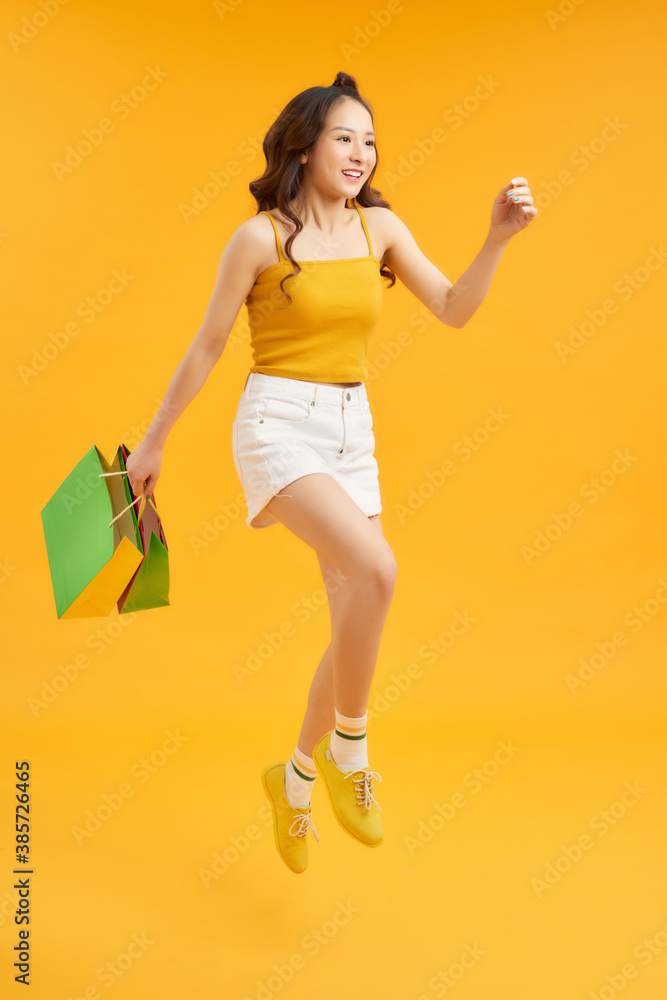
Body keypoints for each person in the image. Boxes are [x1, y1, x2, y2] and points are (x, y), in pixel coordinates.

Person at [125, 70, 537, 875]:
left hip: (353, 429)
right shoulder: (259, 239)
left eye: (370, 140)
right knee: (378, 571)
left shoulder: (377, 228)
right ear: (306, 145)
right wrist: (153, 442)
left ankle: (297, 775)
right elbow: (208, 344)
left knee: (356, 612)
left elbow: (452, 307)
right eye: (344, 137)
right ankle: (351, 752)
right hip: (277, 422)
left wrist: (495, 239)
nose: (360, 153)